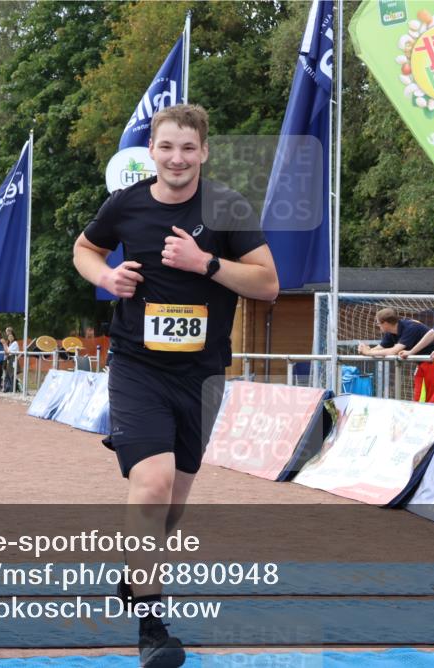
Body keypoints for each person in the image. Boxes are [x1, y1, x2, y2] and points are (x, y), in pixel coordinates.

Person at [73, 103, 278, 667]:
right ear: (153, 152)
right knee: (154, 482)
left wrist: (204, 263)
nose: (177, 158)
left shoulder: (227, 207)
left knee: (173, 505)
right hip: (137, 366)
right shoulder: (127, 203)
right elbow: (85, 249)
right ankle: (152, 626)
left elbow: (267, 285)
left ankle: (135, 573)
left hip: (203, 374)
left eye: (188, 148)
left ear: (204, 152)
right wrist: (106, 276)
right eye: (167, 147)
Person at [358, 309, 434, 401]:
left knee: (433, 397)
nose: (378, 326)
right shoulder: (390, 333)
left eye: (378, 323)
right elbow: (379, 348)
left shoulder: (410, 328)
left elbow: (394, 351)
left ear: (386, 323)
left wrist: (368, 352)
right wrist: (365, 350)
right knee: (419, 397)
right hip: (422, 363)